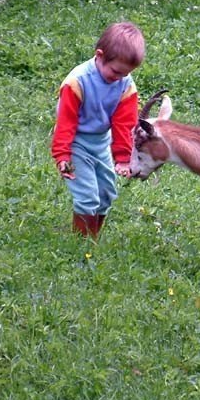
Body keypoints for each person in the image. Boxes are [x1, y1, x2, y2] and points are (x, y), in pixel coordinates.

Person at [51, 21, 145, 240]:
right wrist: (62, 155)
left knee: (106, 194)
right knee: (87, 196)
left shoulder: (125, 84)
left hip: (102, 141)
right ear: (99, 55)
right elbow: (66, 123)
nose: (119, 78)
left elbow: (124, 123)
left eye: (125, 74)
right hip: (76, 142)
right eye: (115, 71)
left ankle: (91, 236)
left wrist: (123, 158)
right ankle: (81, 244)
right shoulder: (77, 82)